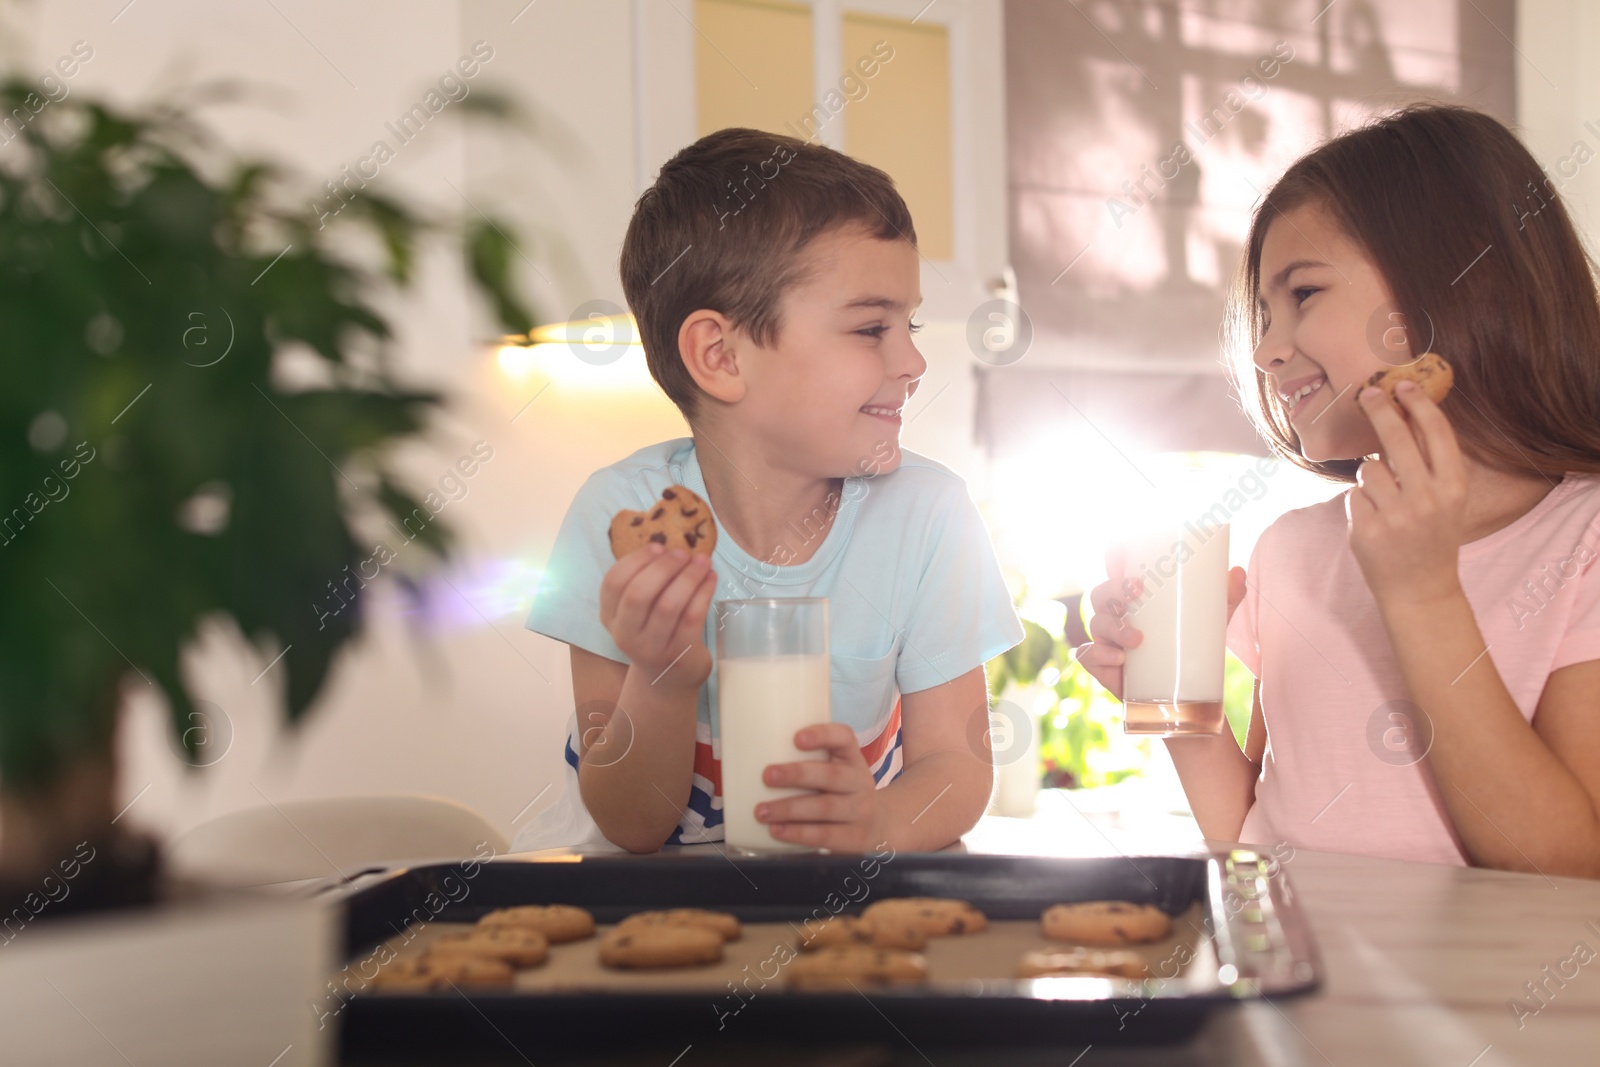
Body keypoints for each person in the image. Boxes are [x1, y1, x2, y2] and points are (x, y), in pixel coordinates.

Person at [1077, 105, 1600, 876]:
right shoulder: (1292, 550)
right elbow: (1255, 831)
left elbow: (1564, 865)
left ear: (1458, 281)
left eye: (1304, 294)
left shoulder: (1582, 540)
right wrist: (1174, 703)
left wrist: (1421, 593)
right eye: (1260, 312)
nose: (1263, 349)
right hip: (1297, 981)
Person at [514, 128, 1022, 854]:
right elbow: (631, 825)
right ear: (720, 357)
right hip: (644, 920)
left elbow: (957, 769)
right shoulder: (618, 516)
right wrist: (663, 674)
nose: (912, 359)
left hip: (833, 915)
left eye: (907, 324)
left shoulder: (929, 515)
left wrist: (880, 820)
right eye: (871, 327)